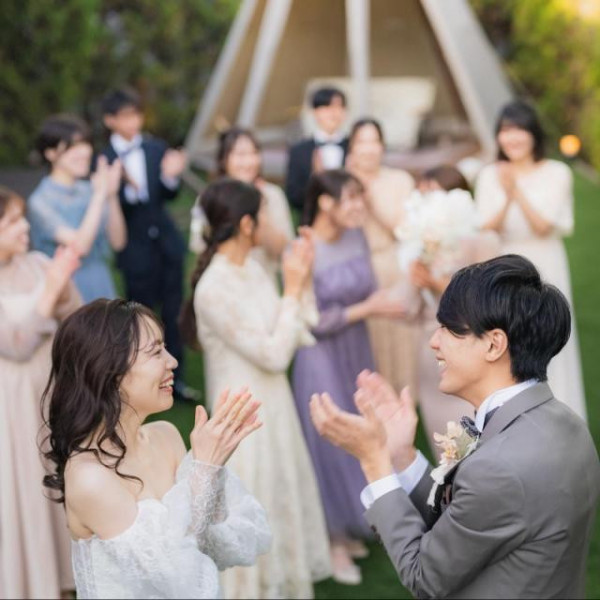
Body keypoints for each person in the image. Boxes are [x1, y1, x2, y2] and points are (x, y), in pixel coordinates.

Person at [311, 254, 600, 599]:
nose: (434, 341)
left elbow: (424, 575)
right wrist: (402, 455)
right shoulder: (569, 425)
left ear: (493, 344)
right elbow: (472, 518)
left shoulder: (499, 468)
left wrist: (374, 462)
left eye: (449, 328)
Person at [42, 298, 271, 599]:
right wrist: (204, 467)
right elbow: (179, 578)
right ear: (109, 370)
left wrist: (211, 468)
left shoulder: (166, 435)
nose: (172, 361)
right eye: (155, 352)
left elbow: (213, 538)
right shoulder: (89, 477)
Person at [181, 178, 330, 599]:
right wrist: (294, 289)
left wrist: (302, 277)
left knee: (280, 495)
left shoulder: (254, 268)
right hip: (241, 415)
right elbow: (274, 353)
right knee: (253, 501)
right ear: (247, 224)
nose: (269, 223)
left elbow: (295, 327)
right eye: (263, 215)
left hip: (274, 402)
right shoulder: (213, 288)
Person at [292, 169, 405, 585]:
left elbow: (370, 290)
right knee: (332, 442)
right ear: (326, 202)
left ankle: (350, 524)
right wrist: (367, 309)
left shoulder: (357, 236)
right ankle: (332, 538)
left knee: (363, 433)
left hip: (356, 347)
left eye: (361, 197)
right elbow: (306, 318)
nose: (361, 206)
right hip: (319, 353)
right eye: (352, 198)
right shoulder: (302, 247)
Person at [475, 100, 586, 421]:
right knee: (506, 341)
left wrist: (516, 190)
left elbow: (542, 226)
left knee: (548, 336)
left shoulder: (556, 173)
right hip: (503, 264)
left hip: (544, 262)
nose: (512, 138)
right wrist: (506, 194)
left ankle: (560, 421)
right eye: (505, 131)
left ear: (533, 134)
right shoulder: (489, 174)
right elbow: (485, 226)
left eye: (519, 130)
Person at [0, 186, 82, 599]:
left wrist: (61, 288)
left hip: (49, 395)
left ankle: (65, 578)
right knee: (23, 486)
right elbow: (15, 343)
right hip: (10, 406)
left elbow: (76, 316)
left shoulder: (37, 263)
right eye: (12, 221)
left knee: (58, 477)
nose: (24, 227)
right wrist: (50, 292)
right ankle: (28, 581)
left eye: (22, 218)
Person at [100, 87, 197, 403]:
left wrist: (170, 177)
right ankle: (142, 382)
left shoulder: (155, 148)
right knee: (140, 318)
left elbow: (168, 194)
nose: (133, 122)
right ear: (110, 120)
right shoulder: (104, 159)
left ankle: (177, 382)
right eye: (125, 116)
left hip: (167, 244)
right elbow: (115, 207)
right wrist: (123, 187)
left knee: (173, 310)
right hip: (135, 250)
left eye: (136, 114)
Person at [410, 166, 500, 456]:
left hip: (468, 348)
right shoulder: (422, 243)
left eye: (434, 195)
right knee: (443, 446)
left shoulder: (483, 240)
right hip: (429, 349)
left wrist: (436, 282)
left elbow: (487, 298)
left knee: (474, 442)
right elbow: (410, 305)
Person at [346, 117, 418, 394]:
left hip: (393, 264)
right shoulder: (342, 182)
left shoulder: (399, 180)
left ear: (382, 146)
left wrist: (370, 199)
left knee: (400, 342)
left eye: (374, 141)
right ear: (352, 147)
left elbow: (404, 229)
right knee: (368, 345)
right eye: (361, 142)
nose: (368, 148)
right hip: (355, 269)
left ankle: (405, 401)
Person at [28, 114, 126, 302]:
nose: (84, 152)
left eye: (85, 144)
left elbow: (118, 242)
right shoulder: (40, 201)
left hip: (101, 282)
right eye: (73, 146)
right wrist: (99, 196)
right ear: (50, 153)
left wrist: (111, 195)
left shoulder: (91, 189)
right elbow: (80, 247)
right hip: (67, 291)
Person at [215, 126, 295, 284]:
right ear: (224, 159)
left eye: (254, 153)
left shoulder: (272, 195)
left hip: (264, 284)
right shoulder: (212, 197)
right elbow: (204, 251)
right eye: (241, 154)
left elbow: (282, 250)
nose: (249, 161)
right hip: (224, 286)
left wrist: (260, 210)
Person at [285, 87, 348, 214]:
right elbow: (293, 196)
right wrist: (316, 183)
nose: (332, 113)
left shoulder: (353, 147)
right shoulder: (299, 151)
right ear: (314, 112)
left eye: (337, 106)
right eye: (326, 107)